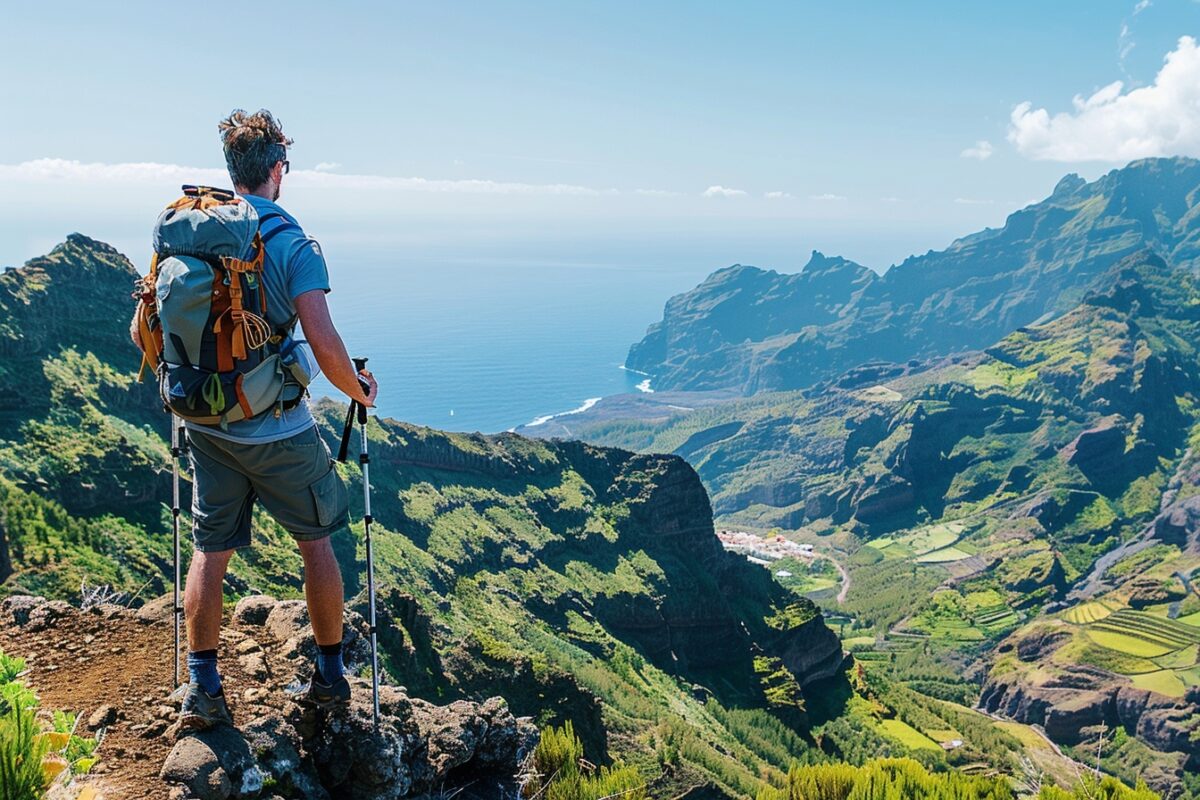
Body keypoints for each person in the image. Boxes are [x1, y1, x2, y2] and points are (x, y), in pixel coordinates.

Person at [132, 109, 378, 730]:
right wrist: (360, 391)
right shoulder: (292, 243)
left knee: (210, 549)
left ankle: (203, 687)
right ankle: (329, 677)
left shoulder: (195, 235)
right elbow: (323, 344)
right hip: (276, 429)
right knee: (316, 538)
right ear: (276, 170)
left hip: (205, 425)